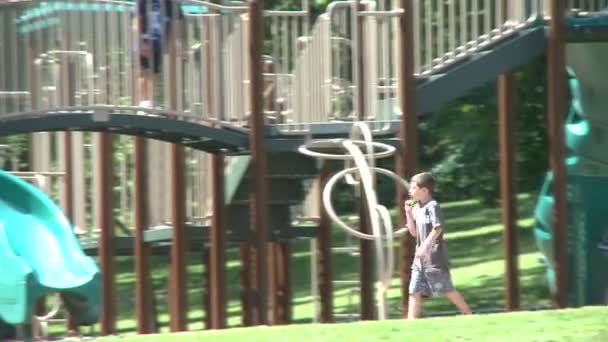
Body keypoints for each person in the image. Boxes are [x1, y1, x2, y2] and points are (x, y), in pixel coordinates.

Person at [404, 172, 472, 319]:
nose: (410, 191)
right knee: (414, 291)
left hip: (434, 258)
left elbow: (438, 228)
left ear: (424, 190)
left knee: (447, 289)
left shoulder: (432, 206)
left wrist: (425, 247)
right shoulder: (417, 208)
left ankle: (468, 314)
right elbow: (414, 233)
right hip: (419, 260)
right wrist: (408, 214)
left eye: (413, 187)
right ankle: (409, 323)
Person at [134, 0, 183, 108]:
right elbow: (137, 20)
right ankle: (144, 102)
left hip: (159, 41)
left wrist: (176, 43)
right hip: (146, 39)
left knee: (154, 72)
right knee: (145, 71)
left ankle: (152, 103)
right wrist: (140, 42)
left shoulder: (172, 4)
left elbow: (177, 23)